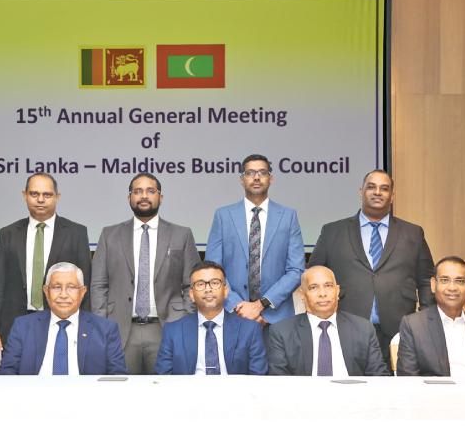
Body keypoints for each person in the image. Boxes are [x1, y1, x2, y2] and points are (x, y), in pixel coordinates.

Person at [308, 169, 434, 365]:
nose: (377, 192)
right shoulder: (333, 231)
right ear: (361, 192)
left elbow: (426, 280)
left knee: (395, 390)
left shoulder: (413, 233)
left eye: (384, 188)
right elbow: (312, 276)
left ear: (392, 196)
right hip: (346, 326)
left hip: (399, 330)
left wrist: (423, 321)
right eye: (371, 187)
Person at [90, 173, 200, 374]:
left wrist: (185, 320)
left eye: (150, 191)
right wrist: (102, 325)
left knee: (165, 393)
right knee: (121, 394)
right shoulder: (109, 234)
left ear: (161, 197)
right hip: (120, 329)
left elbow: (191, 284)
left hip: (168, 327)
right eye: (137, 191)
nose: (144, 196)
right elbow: (99, 284)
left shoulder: (182, 234)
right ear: (129, 197)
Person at [0, 173, 91, 353]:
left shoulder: (76, 233)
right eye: (34, 194)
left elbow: (84, 284)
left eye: (47, 195)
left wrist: (86, 326)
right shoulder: (8, 233)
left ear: (57, 197)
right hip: (15, 324)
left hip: (63, 322)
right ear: (24, 195)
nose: (40, 200)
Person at [206, 154, 305, 331]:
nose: (257, 177)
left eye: (262, 172)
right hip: (233, 316)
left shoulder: (288, 217)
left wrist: (261, 305)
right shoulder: (223, 216)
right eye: (250, 173)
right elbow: (212, 270)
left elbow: (296, 270)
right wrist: (239, 306)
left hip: (277, 318)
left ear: (271, 178)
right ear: (242, 179)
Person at [0, 262, 127, 375]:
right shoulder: (23, 326)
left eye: (71, 287)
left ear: (83, 292)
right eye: (56, 287)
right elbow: (6, 373)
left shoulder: (105, 330)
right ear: (46, 291)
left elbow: (118, 377)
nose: (63, 295)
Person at [267, 266, 389, 376]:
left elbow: (379, 378)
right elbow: (279, 383)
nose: (322, 293)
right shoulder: (282, 332)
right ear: (303, 295)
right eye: (313, 287)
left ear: (337, 291)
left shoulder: (363, 329)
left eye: (328, 286)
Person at [154, 261, 268, 375]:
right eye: (200, 284)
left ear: (226, 291)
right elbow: (163, 379)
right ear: (192, 295)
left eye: (215, 283)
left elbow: (258, 378)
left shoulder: (250, 329)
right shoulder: (173, 331)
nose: (208, 289)